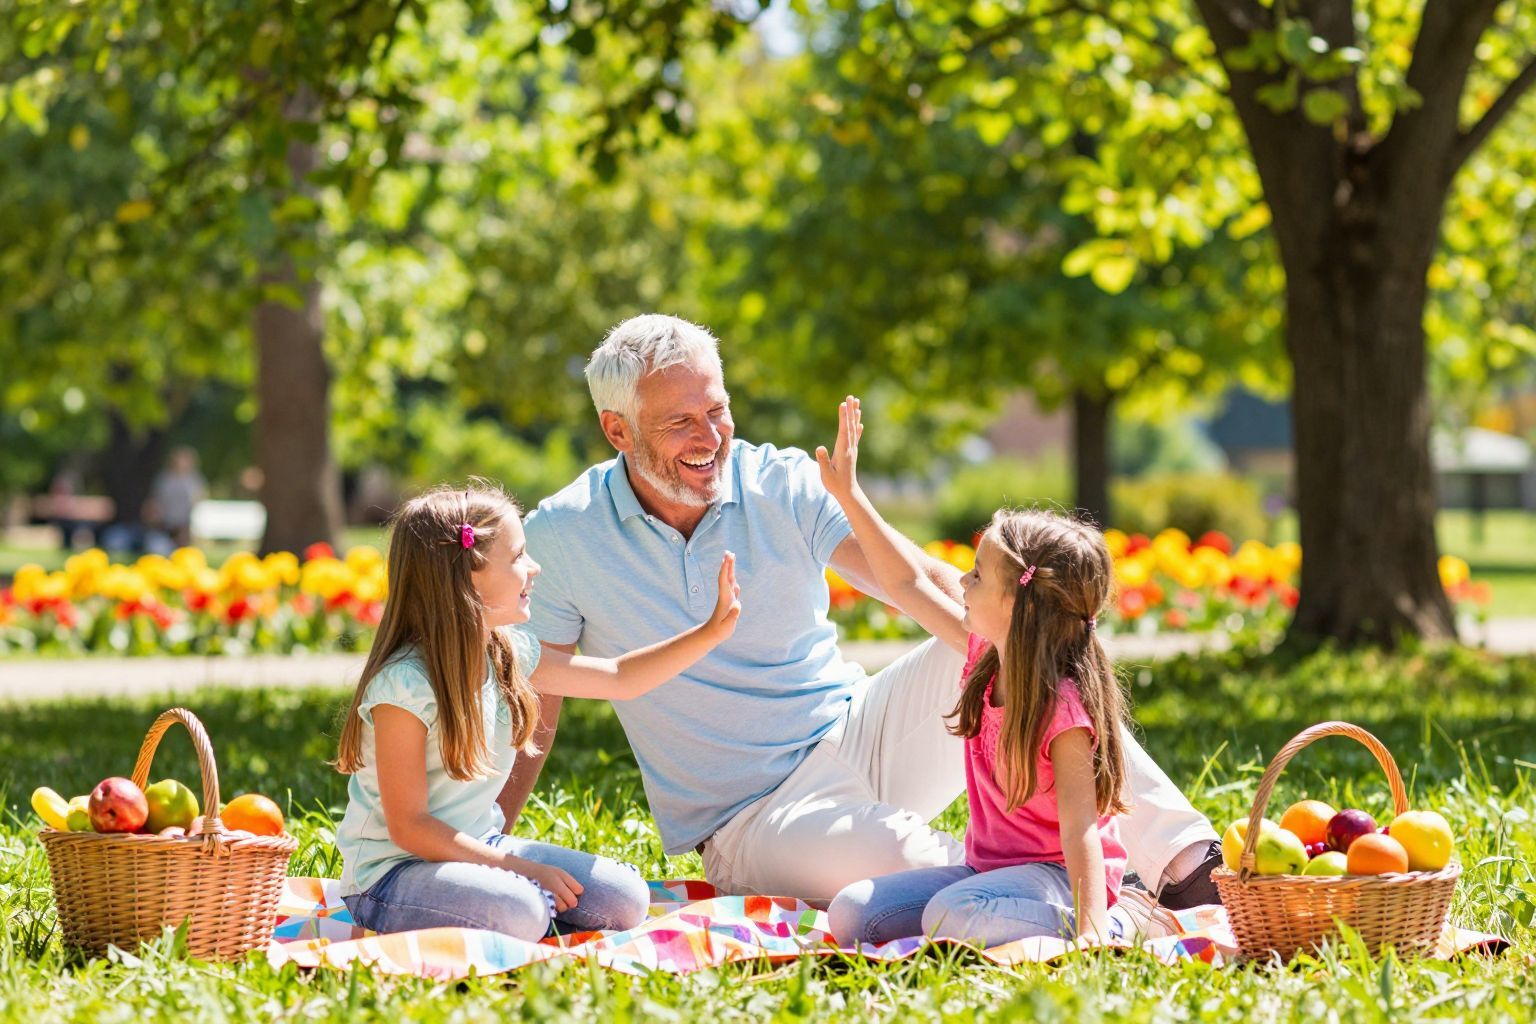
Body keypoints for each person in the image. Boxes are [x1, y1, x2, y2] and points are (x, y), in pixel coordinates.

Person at [508, 313, 1220, 906]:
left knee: (1020, 650)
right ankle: (1077, 890)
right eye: (680, 422)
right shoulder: (564, 536)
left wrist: (1030, 645)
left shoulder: (778, 481)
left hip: (860, 730)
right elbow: (534, 702)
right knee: (904, 862)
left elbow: (914, 578)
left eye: (717, 409)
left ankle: (1188, 863)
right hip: (754, 818)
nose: (711, 437)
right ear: (618, 431)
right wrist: (493, 839)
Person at [333, 481, 741, 940]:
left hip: (478, 846)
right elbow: (410, 828)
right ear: (468, 576)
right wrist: (518, 868)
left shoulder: (505, 654)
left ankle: (513, 914)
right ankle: (517, 915)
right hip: (390, 876)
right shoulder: (405, 686)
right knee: (522, 909)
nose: (534, 568)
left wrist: (710, 632)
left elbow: (618, 678)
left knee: (624, 898)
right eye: (518, 557)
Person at [820, 397, 1131, 945]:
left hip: (1060, 880)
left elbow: (1081, 829)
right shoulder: (982, 659)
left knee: (952, 916)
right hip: (985, 873)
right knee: (851, 914)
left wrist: (1092, 931)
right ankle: (988, 915)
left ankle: (1123, 921)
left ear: (1019, 605)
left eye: (978, 576)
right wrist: (850, 495)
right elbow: (907, 583)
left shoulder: (1063, 710)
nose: (962, 582)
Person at [148, 446, 206, 548]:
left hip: (185, 527)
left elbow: (197, 503)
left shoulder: (195, 480)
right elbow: (155, 505)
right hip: (164, 526)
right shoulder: (164, 479)